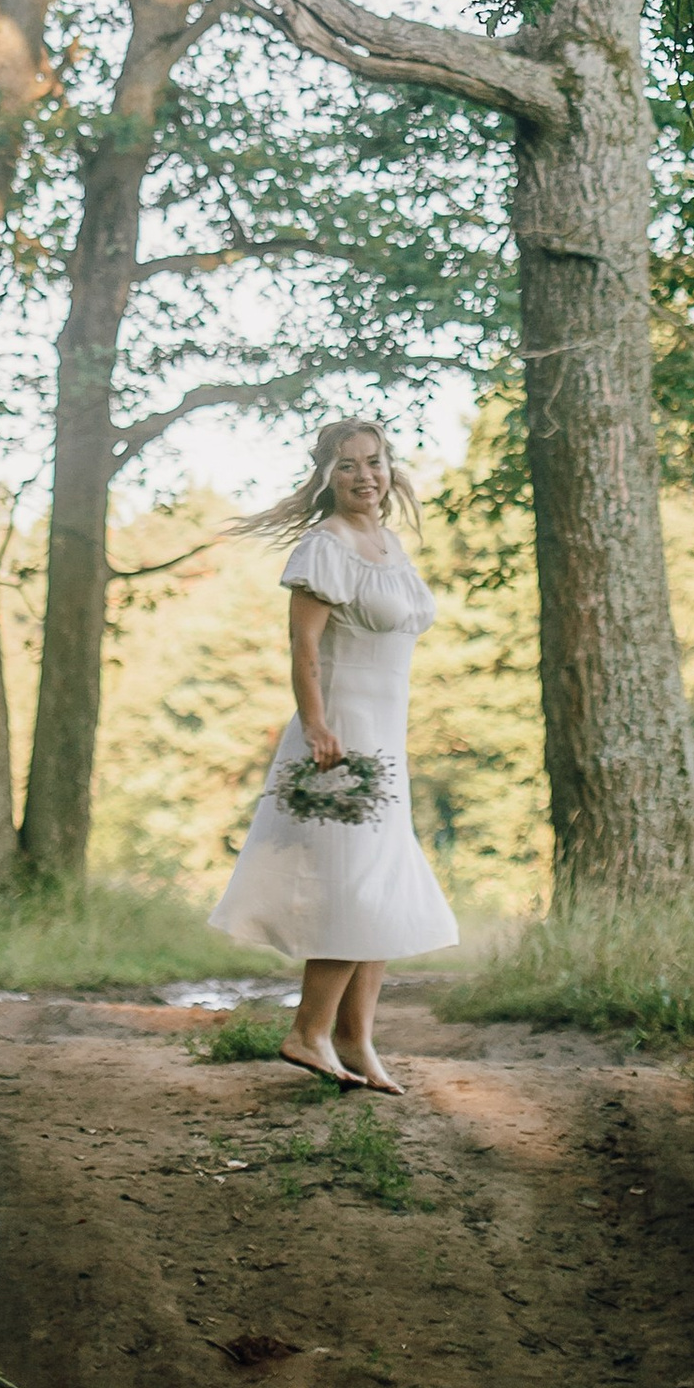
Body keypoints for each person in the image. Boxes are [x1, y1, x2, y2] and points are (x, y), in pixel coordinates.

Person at [208, 416, 458, 1090]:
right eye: (347, 465)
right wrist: (316, 724)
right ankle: (309, 1030)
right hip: (341, 737)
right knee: (359, 885)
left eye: (373, 461)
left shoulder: (389, 544)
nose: (364, 475)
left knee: (384, 880)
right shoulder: (325, 545)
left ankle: (354, 1038)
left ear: (390, 467)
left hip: (385, 735)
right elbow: (304, 646)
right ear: (327, 476)